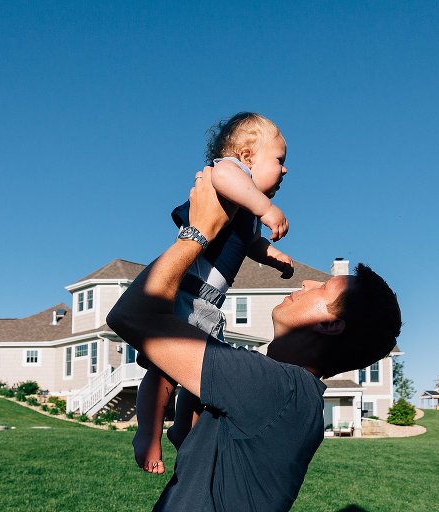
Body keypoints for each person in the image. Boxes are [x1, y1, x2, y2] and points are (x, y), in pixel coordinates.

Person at [106, 167, 402, 512]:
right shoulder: (289, 397)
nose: (307, 283)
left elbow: (130, 317)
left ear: (330, 324)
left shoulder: (277, 388)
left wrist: (197, 233)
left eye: (323, 288)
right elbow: (188, 442)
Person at [133, 112, 295, 474]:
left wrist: (272, 255)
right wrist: (266, 207)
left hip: (209, 304)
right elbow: (221, 174)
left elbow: (250, 244)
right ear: (247, 156)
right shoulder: (232, 174)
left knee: (200, 378)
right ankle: (147, 434)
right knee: (163, 371)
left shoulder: (247, 208)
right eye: (279, 159)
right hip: (187, 294)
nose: (285, 170)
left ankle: (182, 430)